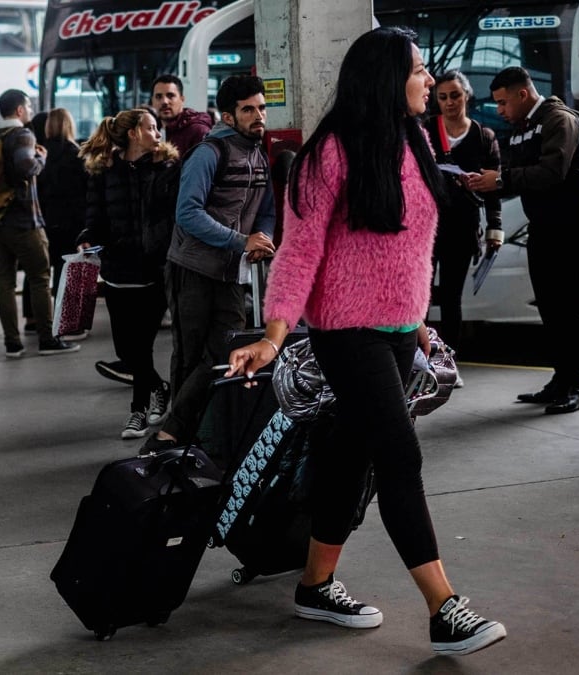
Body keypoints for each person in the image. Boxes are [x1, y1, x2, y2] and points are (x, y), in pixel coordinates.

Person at [225, 27, 506, 656]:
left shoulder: (413, 141)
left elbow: (407, 248)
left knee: (351, 458)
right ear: (384, 78)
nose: (429, 80)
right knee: (399, 456)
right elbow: (299, 254)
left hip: (399, 331)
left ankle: (314, 585)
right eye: (418, 69)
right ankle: (444, 608)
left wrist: (419, 322)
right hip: (347, 334)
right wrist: (274, 334)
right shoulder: (326, 156)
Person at [140, 74, 276, 453]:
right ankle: (178, 441)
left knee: (224, 349)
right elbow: (188, 214)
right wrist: (241, 241)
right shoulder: (208, 153)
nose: (259, 116)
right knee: (189, 355)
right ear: (228, 117)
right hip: (192, 269)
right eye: (248, 110)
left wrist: (262, 238)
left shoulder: (258, 155)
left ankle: (179, 433)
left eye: (262, 108)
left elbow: (266, 210)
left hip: (230, 272)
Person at [466, 66, 579, 415]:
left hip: (571, 228)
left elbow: (552, 172)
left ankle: (577, 386)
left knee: (570, 307)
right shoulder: (522, 127)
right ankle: (560, 380)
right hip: (543, 228)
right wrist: (487, 181)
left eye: (502, 102)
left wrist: (500, 180)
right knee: (550, 306)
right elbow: (516, 175)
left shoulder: (559, 119)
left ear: (522, 94)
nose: (499, 110)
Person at [77, 109, 179, 439]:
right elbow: (94, 216)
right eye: (151, 128)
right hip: (118, 270)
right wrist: (88, 238)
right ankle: (159, 388)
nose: (158, 134)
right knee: (126, 350)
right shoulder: (104, 170)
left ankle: (137, 412)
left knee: (141, 345)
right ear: (134, 134)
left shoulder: (166, 167)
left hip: (155, 269)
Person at [0, 88, 78, 358]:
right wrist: (41, 158)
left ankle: (12, 343)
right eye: (28, 106)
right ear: (19, 110)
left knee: (5, 282)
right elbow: (26, 167)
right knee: (40, 278)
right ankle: (48, 339)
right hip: (24, 221)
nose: (31, 111)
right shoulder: (22, 135)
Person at [424, 71, 503, 369]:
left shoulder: (483, 137)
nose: (449, 103)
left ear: (467, 96)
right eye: (443, 97)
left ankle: (448, 363)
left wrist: (495, 226)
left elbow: (495, 185)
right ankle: (418, 361)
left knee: (451, 298)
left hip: (462, 225)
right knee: (421, 296)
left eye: (455, 95)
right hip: (428, 226)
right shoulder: (425, 132)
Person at [39, 108, 89, 329]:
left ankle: (34, 318)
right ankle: (68, 321)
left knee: (40, 270)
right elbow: (85, 190)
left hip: (45, 219)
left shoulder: (40, 153)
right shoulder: (76, 153)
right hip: (71, 220)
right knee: (69, 267)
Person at [151, 74, 213, 155]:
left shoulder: (198, 131)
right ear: (152, 101)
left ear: (182, 99)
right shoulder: (150, 130)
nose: (164, 102)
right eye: (159, 97)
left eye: (170, 96)